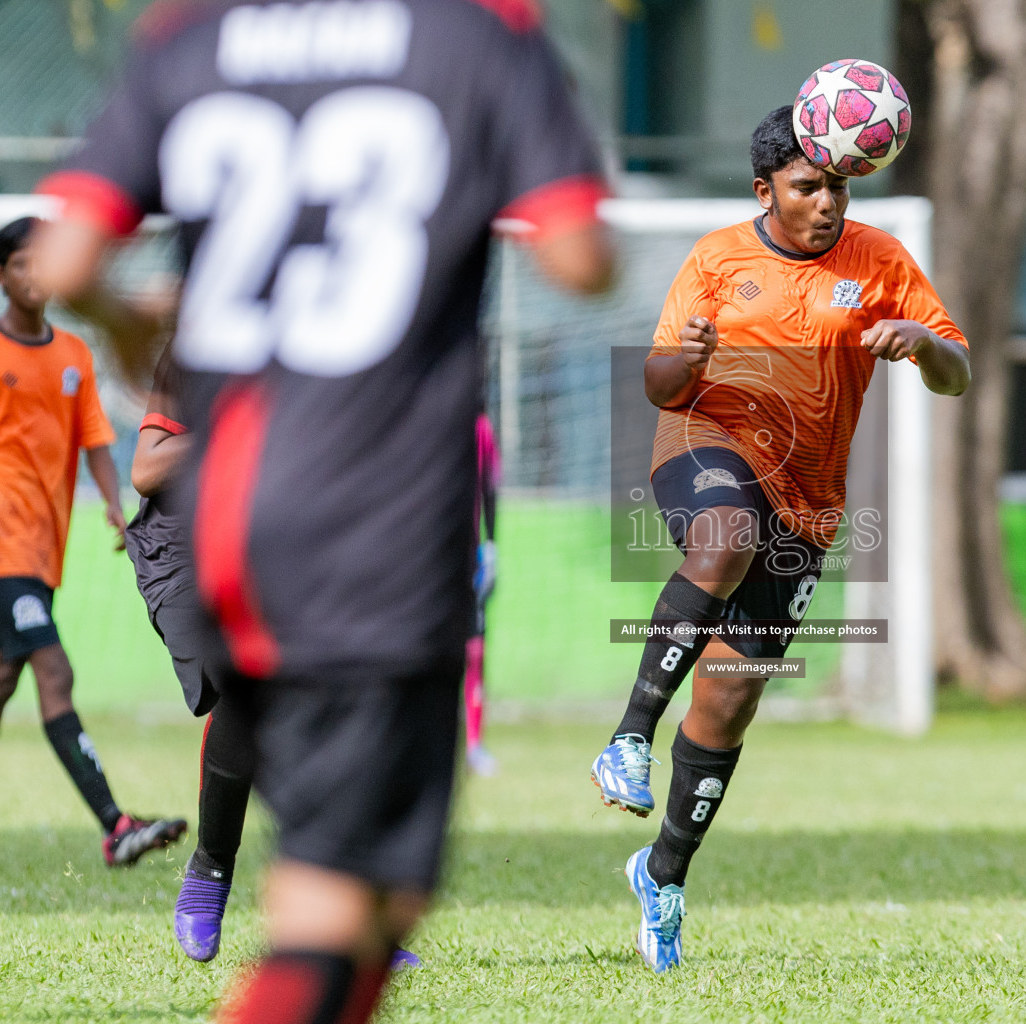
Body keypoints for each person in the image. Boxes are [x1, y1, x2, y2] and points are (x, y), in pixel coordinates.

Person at [31, 0, 613, 1020]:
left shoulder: (191, 35)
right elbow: (581, 256)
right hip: (378, 520)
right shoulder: (476, 36)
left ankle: (224, 886)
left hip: (231, 526)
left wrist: (131, 325)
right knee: (339, 905)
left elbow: (69, 261)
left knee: (372, 899)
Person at [589, 105, 970, 972]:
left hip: (809, 501)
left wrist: (920, 343)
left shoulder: (878, 259)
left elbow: (959, 374)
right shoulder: (718, 257)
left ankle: (663, 876)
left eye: (837, 184)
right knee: (724, 535)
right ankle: (628, 736)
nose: (827, 200)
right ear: (766, 190)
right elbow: (659, 385)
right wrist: (686, 356)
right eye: (808, 186)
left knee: (729, 700)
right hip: (704, 445)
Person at [125, 350, 420, 970]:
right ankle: (209, 876)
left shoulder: (333, 353)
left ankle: (350, 916)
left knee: (332, 708)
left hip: (280, 547)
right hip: (184, 549)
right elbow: (148, 470)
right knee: (242, 681)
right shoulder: (201, 345)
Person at [0, 216, 186, 866]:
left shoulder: (74, 355)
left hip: (44, 543)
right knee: (55, 673)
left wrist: (116, 511)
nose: (34, 275)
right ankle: (116, 823)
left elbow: (95, 438)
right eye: (21, 265)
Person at [464, 410, 501, 777]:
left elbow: (490, 487)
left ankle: (474, 745)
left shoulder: (480, 428)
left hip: (468, 559)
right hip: (421, 559)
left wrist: (491, 545)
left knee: (474, 650)